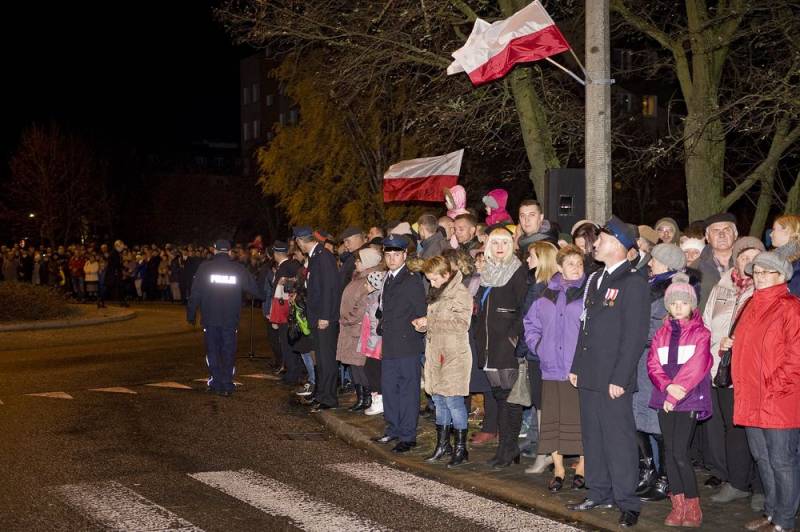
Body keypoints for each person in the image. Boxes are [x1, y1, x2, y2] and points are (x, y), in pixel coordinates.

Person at [568, 216, 650, 528]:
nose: (596, 243)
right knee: (593, 437)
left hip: (613, 377)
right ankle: (599, 491)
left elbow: (634, 337)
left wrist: (621, 378)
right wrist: (577, 366)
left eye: (601, 238)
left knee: (619, 440)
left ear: (617, 244)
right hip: (590, 373)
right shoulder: (596, 279)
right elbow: (585, 326)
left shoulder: (633, 282)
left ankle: (627, 501)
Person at [733, 252, 800, 532]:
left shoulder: (791, 307)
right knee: (762, 458)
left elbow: (796, 357)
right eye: (756, 272)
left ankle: (785, 519)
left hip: (778, 399)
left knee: (782, 461)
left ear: (781, 276)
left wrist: (775, 387)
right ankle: (771, 512)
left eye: (765, 272)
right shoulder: (750, 303)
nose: (758, 277)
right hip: (751, 396)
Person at [702, 236, 765, 509]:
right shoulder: (722, 287)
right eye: (743, 257)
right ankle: (738, 482)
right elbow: (706, 324)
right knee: (733, 428)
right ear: (736, 261)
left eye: (754, 257)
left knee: (758, 430)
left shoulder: (765, 289)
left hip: (753, 373)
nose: (748, 262)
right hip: (723, 370)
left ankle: (761, 487)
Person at [647, 274, 712, 528]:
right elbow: (653, 364)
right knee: (669, 453)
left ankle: (693, 506)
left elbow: (697, 366)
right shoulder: (661, 333)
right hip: (665, 398)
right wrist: (666, 387)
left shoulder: (701, 333)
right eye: (673, 303)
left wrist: (674, 393)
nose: (678, 307)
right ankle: (678, 505)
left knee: (680, 452)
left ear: (692, 305)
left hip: (688, 399)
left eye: (683, 303)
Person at [523, 245, 587, 491]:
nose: (576, 268)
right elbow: (530, 324)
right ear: (559, 266)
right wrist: (538, 346)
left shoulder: (587, 292)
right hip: (550, 367)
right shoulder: (546, 294)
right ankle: (559, 469)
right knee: (553, 421)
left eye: (579, 264)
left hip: (575, 368)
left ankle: (582, 467)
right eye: (571, 263)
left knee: (579, 420)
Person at [633, 243, 691, 503]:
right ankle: (648, 471)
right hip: (640, 360)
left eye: (654, 259)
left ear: (667, 264)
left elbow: (662, 329)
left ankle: (666, 478)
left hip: (659, 362)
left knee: (657, 422)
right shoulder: (650, 285)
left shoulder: (674, 291)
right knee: (637, 416)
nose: (649, 263)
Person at [475, 228, 528, 468]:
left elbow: (525, 307)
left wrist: (512, 336)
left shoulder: (518, 271)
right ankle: (504, 448)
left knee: (510, 399)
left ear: (511, 245)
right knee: (499, 396)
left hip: (506, 344)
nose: (499, 247)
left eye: (505, 242)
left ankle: (509, 448)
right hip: (488, 343)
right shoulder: (486, 272)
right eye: (495, 242)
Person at [413, 256, 473, 467]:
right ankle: (443, 444)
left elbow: (461, 324)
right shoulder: (439, 292)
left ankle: (460, 448)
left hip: (454, 355)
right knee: (439, 400)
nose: (431, 283)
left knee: (454, 402)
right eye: (429, 279)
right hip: (436, 353)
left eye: (434, 279)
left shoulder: (460, 293)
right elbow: (438, 323)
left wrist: (430, 321)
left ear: (446, 274)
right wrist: (424, 325)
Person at [371, 234, 427, 453]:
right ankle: (393, 428)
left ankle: (407, 435)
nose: (392, 259)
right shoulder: (388, 278)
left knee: (407, 391)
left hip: (407, 344)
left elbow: (421, 312)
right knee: (389, 389)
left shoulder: (411, 279)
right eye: (388, 255)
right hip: (390, 343)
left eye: (396, 254)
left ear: (405, 255)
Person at [186, 240, 261, 396]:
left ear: (214, 251)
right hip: (230, 319)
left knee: (213, 350)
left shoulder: (205, 268)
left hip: (210, 318)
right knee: (228, 351)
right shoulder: (238, 268)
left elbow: (196, 292)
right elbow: (254, 288)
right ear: (229, 252)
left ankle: (216, 382)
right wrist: (268, 295)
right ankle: (227, 383)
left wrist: (191, 313)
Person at [521, 241, 559, 474]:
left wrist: (529, 348)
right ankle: (548, 454)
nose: (527, 260)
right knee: (541, 406)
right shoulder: (543, 286)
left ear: (543, 260)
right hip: (540, 354)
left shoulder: (543, 289)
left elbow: (531, 322)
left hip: (541, 356)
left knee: (544, 407)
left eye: (532, 256)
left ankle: (545, 455)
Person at [293, 226, 342, 412]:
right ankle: (321, 394)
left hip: (324, 318)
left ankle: (329, 398)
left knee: (326, 359)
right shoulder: (315, 256)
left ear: (300, 241)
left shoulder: (323, 257)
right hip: (317, 316)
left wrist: (325, 316)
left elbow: (330, 288)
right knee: (320, 359)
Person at [337, 247, 384, 412]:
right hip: (350, 327)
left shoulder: (371, 279)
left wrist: (348, 319)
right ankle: (361, 397)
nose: (355, 263)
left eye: (359, 260)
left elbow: (364, 304)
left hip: (357, 328)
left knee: (359, 365)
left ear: (368, 262)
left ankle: (367, 397)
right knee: (353, 365)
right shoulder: (359, 277)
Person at [694, 212, 738, 312]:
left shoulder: (748, 263)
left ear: (735, 234)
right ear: (707, 237)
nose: (722, 235)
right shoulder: (695, 267)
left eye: (726, 230)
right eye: (716, 231)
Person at [770, 214, 800, 296]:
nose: (770, 234)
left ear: (788, 231)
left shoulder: (797, 266)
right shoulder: (772, 258)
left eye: (774, 229)